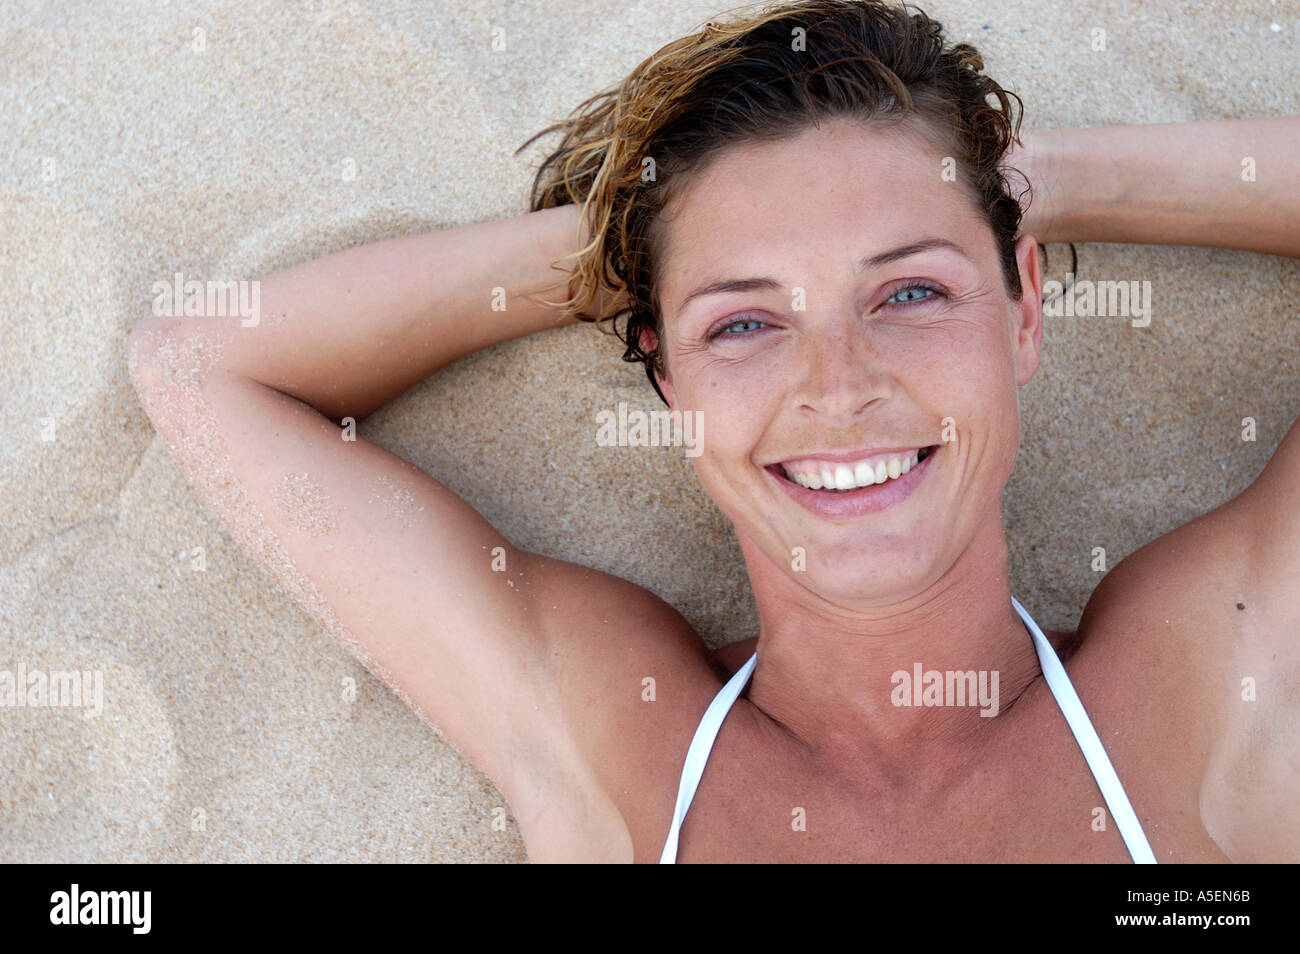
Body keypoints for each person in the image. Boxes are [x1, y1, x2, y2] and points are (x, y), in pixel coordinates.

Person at [126, 0, 1299, 862]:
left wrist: (1006, 180)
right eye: (742, 325)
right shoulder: (612, 740)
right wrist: (640, 236)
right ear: (668, 375)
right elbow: (203, 363)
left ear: (1024, 310)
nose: (836, 386)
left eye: (909, 292)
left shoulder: (1198, 693)